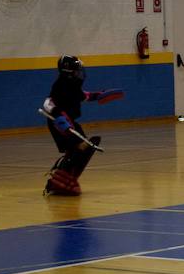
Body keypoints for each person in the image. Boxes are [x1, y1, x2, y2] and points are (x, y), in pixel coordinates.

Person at [42, 55, 124, 195]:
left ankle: (63, 179)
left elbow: (84, 96)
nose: (80, 73)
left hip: (70, 122)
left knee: (81, 149)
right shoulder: (60, 85)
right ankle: (59, 181)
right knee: (79, 146)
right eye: (76, 70)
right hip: (59, 122)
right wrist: (60, 119)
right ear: (68, 72)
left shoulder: (73, 86)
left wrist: (99, 95)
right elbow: (48, 103)